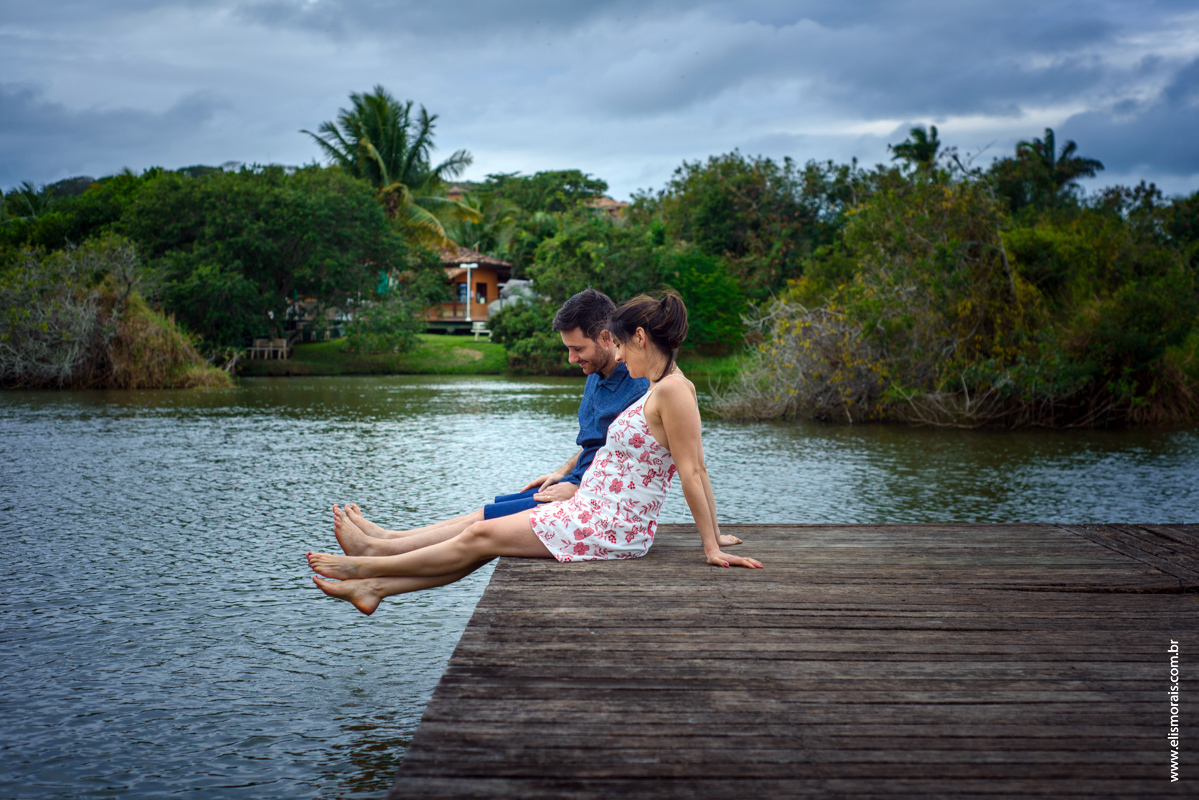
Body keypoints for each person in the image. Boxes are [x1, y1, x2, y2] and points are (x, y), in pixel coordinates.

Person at [308, 290, 762, 615]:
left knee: (478, 535)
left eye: (621, 345)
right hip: (593, 508)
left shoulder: (674, 391)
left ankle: (364, 565)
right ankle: (373, 584)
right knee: (480, 537)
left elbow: (693, 469)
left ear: (640, 337)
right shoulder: (660, 388)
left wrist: (710, 544)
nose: (620, 357)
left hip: (612, 523)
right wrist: (716, 534)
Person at [341, 288, 651, 557]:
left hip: (590, 500)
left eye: (577, 349)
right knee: (483, 514)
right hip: (574, 483)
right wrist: (562, 471)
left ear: (606, 337)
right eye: (568, 348)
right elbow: (601, 443)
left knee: (482, 521)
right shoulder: (596, 374)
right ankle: (389, 539)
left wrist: (579, 488)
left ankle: (380, 548)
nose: (571, 359)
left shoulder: (636, 386)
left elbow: (632, 464)